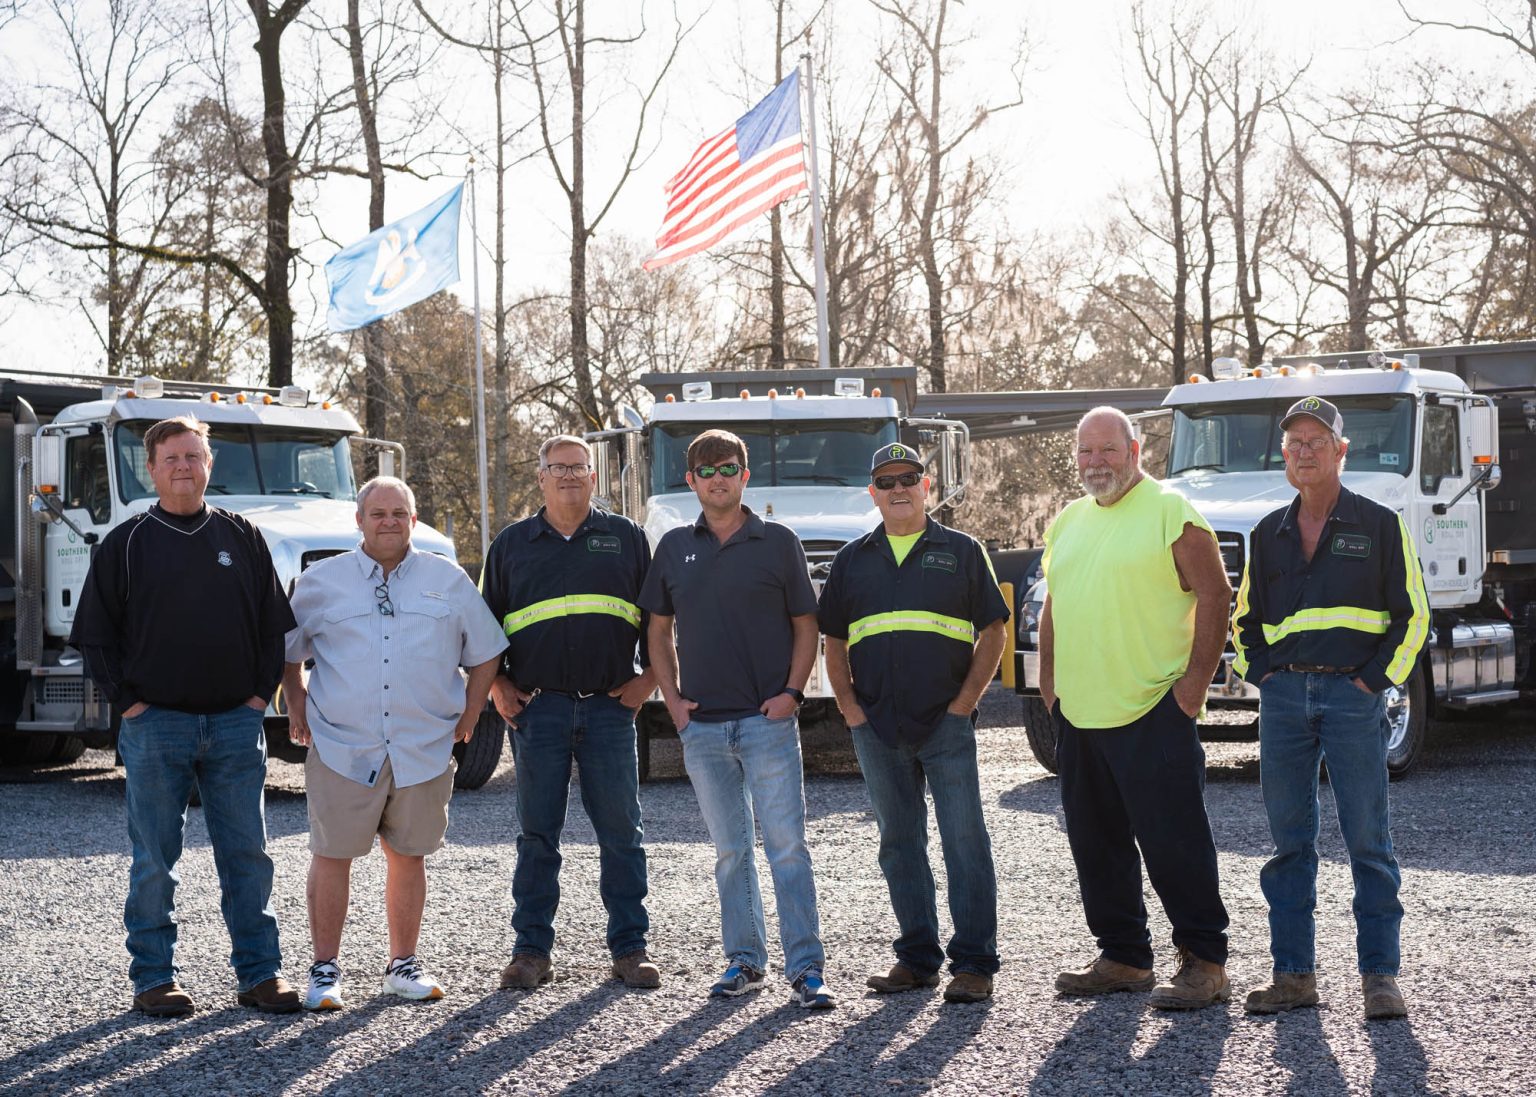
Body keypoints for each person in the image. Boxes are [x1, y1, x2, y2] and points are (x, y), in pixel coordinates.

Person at [70, 416, 300, 1017]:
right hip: (155, 727)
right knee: (154, 862)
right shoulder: (126, 543)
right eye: (171, 457)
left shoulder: (243, 536)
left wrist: (256, 700)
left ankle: (260, 975)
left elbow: (271, 631)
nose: (183, 466)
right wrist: (133, 706)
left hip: (234, 724)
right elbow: (96, 639)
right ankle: (154, 980)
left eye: (194, 456)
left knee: (247, 855)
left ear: (208, 466)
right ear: (151, 468)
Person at [1233, 396, 1429, 1021]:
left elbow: (1414, 616)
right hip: (1285, 701)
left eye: (1317, 441)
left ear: (1342, 451)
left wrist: (1375, 683)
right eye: (1294, 443)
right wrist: (1263, 677)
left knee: (1369, 841)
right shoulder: (1269, 532)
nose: (1305, 451)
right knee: (1289, 845)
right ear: (1284, 456)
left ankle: (1380, 978)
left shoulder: (1378, 525)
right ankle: (1294, 976)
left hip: (1352, 698)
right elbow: (1245, 622)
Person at [283, 476, 505, 1010]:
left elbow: (486, 652)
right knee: (331, 854)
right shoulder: (320, 581)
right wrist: (296, 705)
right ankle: (324, 971)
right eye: (377, 513)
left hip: (423, 747)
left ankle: (402, 965)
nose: (388, 522)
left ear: (413, 519)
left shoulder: (447, 580)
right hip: (342, 746)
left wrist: (472, 711)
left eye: (399, 513)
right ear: (358, 521)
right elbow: (288, 651)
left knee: (409, 856)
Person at [1040, 406, 1233, 1010]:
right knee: (1096, 847)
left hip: (1154, 707)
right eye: (1086, 451)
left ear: (1135, 449)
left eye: (1108, 450)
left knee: (1175, 844)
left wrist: (1193, 689)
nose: (1096, 462)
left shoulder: (1170, 512)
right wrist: (1050, 689)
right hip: (1080, 714)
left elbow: (1216, 594)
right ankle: (1123, 957)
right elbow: (1052, 607)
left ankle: (1205, 962)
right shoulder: (1067, 520)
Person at [639, 428, 835, 1009]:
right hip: (702, 730)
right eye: (706, 470)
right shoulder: (674, 547)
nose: (718, 477)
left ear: (745, 476)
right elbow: (657, 630)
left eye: (728, 467)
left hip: (766, 721)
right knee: (730, 851)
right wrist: (673, 703)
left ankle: (806, 970)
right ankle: (745, 961)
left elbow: (807, 624)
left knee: (787, 847)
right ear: (692, 481)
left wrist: (793, 694)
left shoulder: (778, 542)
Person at [819, 443, 1009, 1004]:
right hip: (877, 726)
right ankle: (918, 959)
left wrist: (965, 702)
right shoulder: (853, 560)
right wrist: (850, 708)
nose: (898, 488)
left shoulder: (963, 550)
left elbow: (994, 630)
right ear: (872, 493)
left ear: (926, 486)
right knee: (899, 845)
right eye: (886, 480)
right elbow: (834, 640)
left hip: (945, 724)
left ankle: (974, 963)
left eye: (909, 477)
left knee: (964, 842)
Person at [480, 435, 660, 991]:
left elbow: (659, 619)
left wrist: (648, 681)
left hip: (610, 710)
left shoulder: (626, 537)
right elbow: (485, 629)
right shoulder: (511, 544)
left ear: (594, 477)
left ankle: (631, 948)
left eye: (578, 469)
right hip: (539, 711)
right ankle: (531, 952)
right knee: (537, 836)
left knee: (621, 833)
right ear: (540, 478)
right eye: (557, 468)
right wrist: (498, 687)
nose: (568, 477)